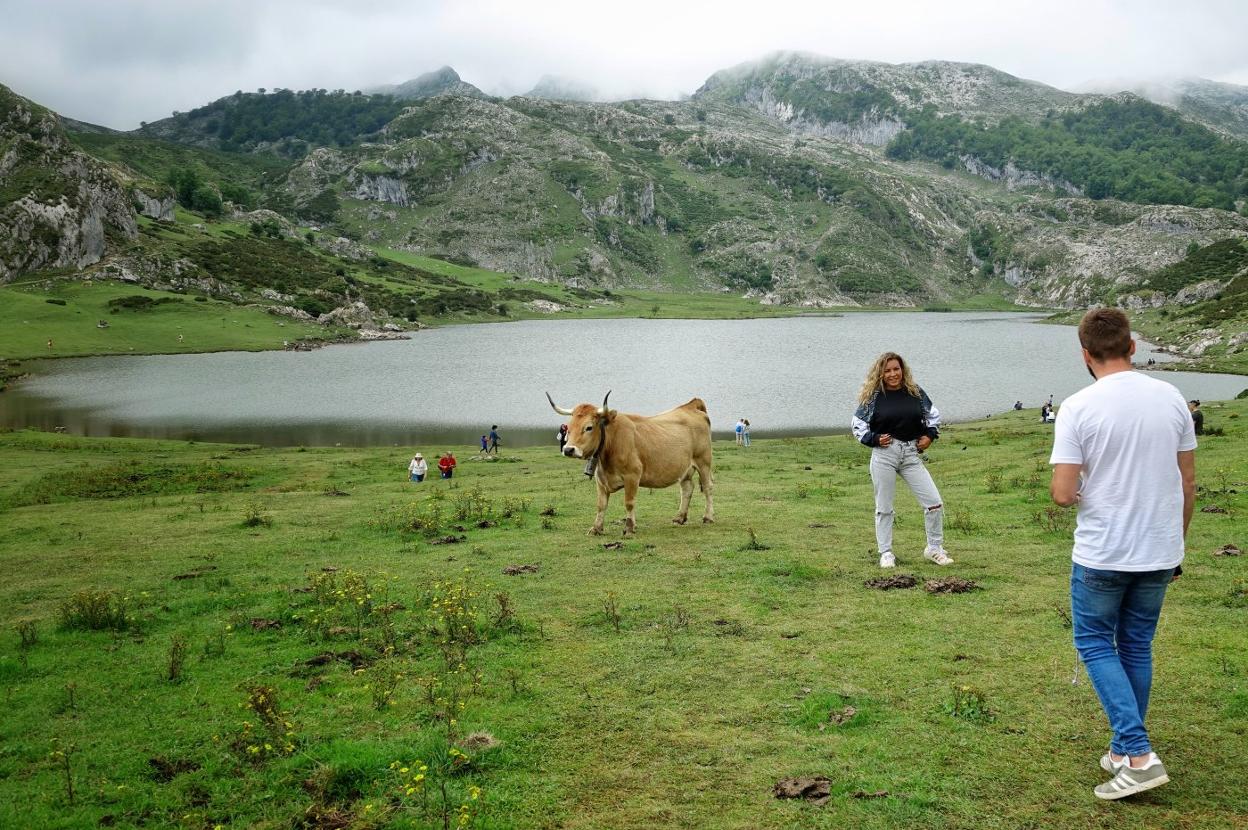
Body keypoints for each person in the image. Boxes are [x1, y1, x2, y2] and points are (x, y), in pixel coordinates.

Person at [1049, 307, 1196, 801]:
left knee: (1094, 643)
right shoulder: (1173, 397)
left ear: (1086, 354)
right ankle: (1120, 747)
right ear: (1133, 347)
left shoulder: (1077, 407)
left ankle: (1137, 755)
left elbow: (1063, 493)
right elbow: (1187, 481)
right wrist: (1175, 545)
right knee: (1135, 645)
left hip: (1104, 551)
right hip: (1159, 549)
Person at [851, 352, 951, 568]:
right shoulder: (874, 397)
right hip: (884, 454)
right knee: (884, 507)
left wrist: (930, 436)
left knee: (934, 503)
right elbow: (857, 424)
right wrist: (874, 438)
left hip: (910, 454)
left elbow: (934, 415)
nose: (893, 374)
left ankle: (934, 548)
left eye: (896, 369)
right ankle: (886, 552)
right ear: (880, 373)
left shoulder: (915, 392)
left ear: (902, 370)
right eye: (887, 371)